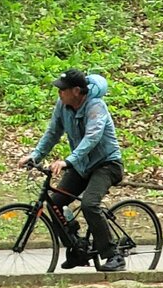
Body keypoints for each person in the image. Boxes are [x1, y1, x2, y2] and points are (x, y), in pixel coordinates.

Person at [24, 69, 125, 271]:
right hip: (81, 166)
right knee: (55, 203)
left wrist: (67, 161)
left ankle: (113, 255)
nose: (59, 93)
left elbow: (92, 138)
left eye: (63, 90)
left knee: (89, 204)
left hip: (106, 165)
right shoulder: (62, 106)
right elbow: (52, 133)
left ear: (77, 91)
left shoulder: (96, 107)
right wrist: (34, 156)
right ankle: (77, 249)